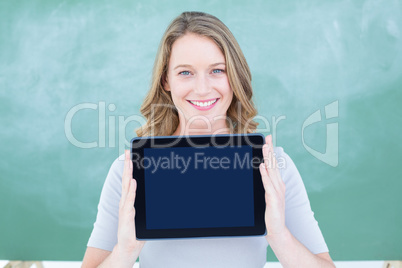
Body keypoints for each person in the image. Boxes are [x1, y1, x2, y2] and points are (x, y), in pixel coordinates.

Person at [82, 11, 335, 267]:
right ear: (165, 80)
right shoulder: (130, 173)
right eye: (185, 73)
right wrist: (125, 250)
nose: (202, 88)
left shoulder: (272, 168)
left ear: (234, 77)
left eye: (217, 70)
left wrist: (279, 237)